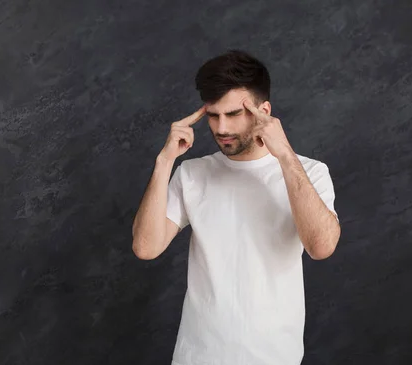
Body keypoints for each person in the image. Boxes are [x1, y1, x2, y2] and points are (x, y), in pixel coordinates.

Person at [131, 50, 341, 365]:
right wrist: (164, 162)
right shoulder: (192, 173)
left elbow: (321, 247)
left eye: (232, 114)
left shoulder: (309, 173)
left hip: (274, 358)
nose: (221, 128)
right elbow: (146, 247)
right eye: (213, 115)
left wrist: (284, 154)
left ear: (263, 111)